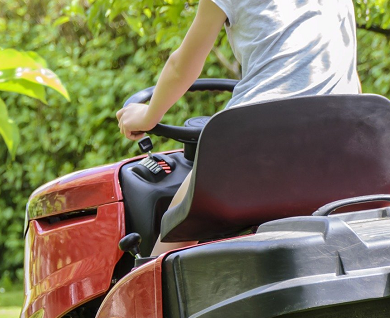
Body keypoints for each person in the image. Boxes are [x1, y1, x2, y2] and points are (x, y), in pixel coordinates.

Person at [116, 0, 362, 255]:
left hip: (259, 140)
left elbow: (182, 67)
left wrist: (148, 116)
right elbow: (351, 78)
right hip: (341, 148)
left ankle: (151, 285)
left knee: (178, 224)